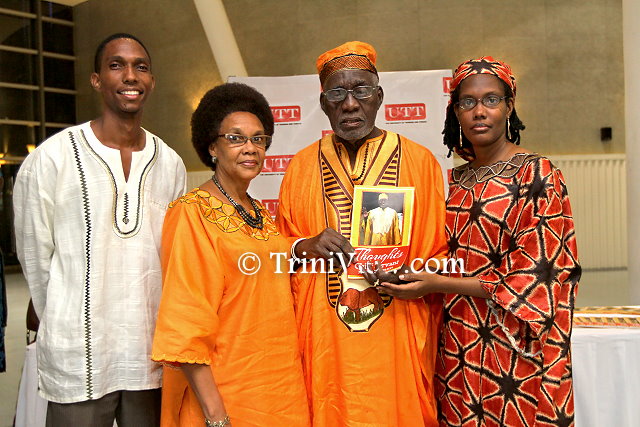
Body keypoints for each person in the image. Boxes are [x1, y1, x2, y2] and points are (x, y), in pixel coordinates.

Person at [366, 57, 581, 425]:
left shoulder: (537, 173)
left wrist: (438, 283)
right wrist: (411, 270)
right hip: (457, 340)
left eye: (491, 100)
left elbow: (538, 276)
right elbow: (443, 251)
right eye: (468, 102)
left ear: (509, 106)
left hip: (514, 343)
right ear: (456, 113)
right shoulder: (454, 181)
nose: (479, 111)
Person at [13, 33, 186, 426]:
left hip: (149, 357)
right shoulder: (52, 159)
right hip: (80, 356)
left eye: (140, 67)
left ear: (152, 81)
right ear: (95, 80)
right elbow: (36, 260)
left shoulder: (170, 163)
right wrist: (66, 319)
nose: (130, 76)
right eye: (116, 65)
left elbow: (169, 256)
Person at [276, 41, 448, 426]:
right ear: (323, 103)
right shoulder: (301, 167)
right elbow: (278, 253)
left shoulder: (420, 162)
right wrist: (304, 245)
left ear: (379, 96)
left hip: (395, 329)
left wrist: (408, 273)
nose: (350, 104)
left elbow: (439, 251)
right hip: (324, 339)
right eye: (337, 92)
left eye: (361, 90)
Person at [151, 83, 310, 427]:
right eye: (235, 138)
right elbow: (186, 322)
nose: (250, 148)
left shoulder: (262, 215)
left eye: (258, 139)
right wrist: (216, 416)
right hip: (228, 396)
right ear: (212, 147)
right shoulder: (191, 214)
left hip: (283, 393)